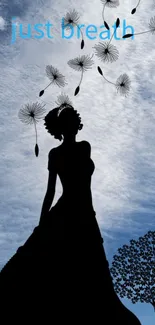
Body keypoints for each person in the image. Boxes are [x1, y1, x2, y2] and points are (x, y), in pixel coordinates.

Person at [0, 103, 141, 324]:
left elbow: (83, 189)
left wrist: (90, 215)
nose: (73, 124)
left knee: (91, 270)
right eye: (68, 121)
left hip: (82, 212)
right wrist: (41, 224)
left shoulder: (84, 147)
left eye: (74, 119)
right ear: (62, 127)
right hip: (70, 212)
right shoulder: (57, 154)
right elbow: (50, 192)